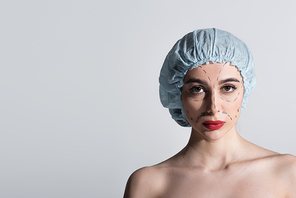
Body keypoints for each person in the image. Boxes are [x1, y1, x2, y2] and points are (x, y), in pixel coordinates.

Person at [123, 28, 296, 197]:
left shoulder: (288, 172)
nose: (213, 107)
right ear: (177, 94)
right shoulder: (148, 183)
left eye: (228, 88)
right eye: (197, 89)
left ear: (245, 90)